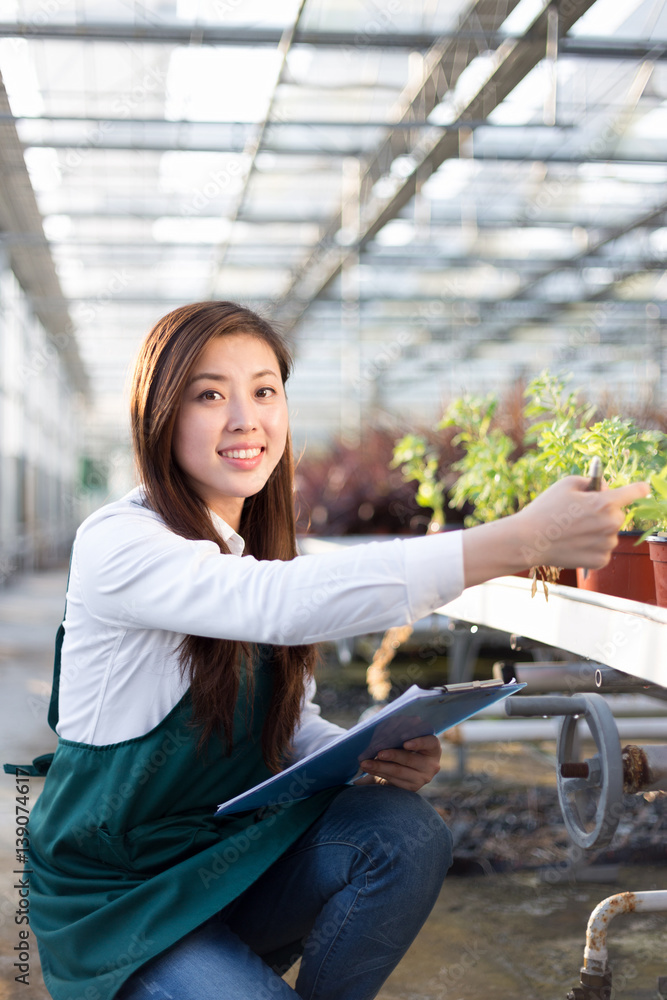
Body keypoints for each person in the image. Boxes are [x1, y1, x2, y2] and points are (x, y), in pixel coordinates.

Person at [24, 301, 648, 1000]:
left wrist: (365, 752)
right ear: (159, 414)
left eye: (264, 390)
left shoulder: (258, 546)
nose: (245, 418)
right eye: (209, 395)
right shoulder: (119, 543)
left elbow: (286, 726)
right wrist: (515, 541)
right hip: (119, 900)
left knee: (403, 833)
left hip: (229, 864)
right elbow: (276, 603)